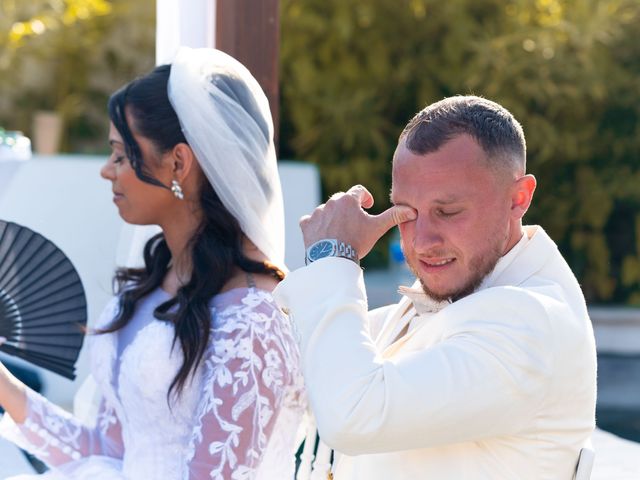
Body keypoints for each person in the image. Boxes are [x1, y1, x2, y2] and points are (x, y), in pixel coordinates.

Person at [0, 47, 305, 479]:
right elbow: (104, 453)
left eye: (122, 155)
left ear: (178, 162)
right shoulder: (147, 289)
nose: (108, 171)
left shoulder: (252, 318)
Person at [274, 95, 597, 479]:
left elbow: (352, 415)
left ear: (518, 198)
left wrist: (333, 256)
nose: (422, 241)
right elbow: (309, 354)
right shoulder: (453, 293)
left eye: (448, 212)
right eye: (406, 213)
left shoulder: (530, 323)